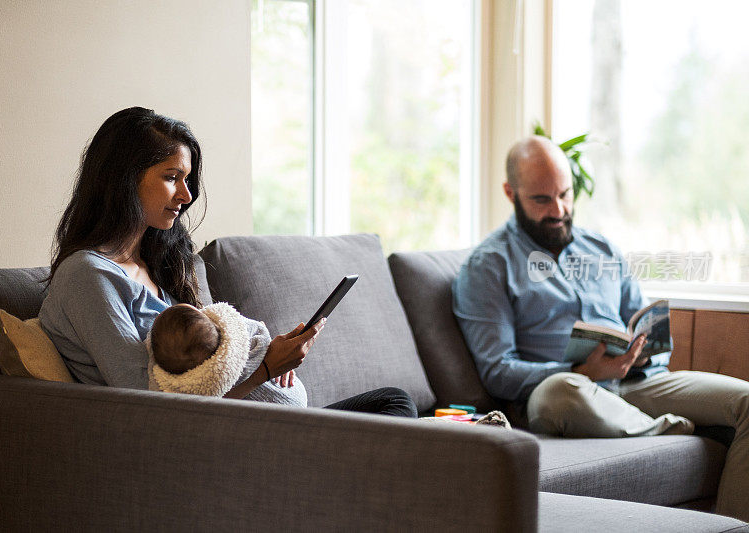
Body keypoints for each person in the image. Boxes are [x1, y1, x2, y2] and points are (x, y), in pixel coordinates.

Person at [38, 106, 416, 418]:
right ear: (123, 179)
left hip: (271, 423)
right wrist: (267, 369)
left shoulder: (161, 265)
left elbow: (210, 362)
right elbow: (151, 401)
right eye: (172, 177)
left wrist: (266, 355)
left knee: (393, 402)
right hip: (225, 440)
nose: (186, 195)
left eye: (187, 180)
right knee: (395, 408)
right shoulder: (87, 275)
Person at [452, 135, 749, 521]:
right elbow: (497, 371)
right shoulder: (489, 265)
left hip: (633, 383)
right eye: (541, 200)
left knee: (745, 400)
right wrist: (580, 371)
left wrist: (641, 353)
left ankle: (731, 527)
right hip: (563, 395)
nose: (558, 209)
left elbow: (644, 329)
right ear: (511, 193)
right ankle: (664, 430)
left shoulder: (602, 249)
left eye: (564, 194)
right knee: (563, 391)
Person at [147, 302, 307, 407]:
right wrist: (267, 361)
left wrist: (276, 357)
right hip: (290, 418)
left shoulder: (183, 386)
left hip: (294, 406)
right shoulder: (229, 358)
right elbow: (259, 335)